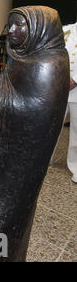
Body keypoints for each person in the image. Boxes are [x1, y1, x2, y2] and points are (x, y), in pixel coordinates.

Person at [63, 21, 77, 183]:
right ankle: (45, 159)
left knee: (76, 130)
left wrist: (75, 80)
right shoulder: (65, 30)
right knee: (52, 126)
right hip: (59, 86)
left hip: (76, 89)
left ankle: (75, 166)